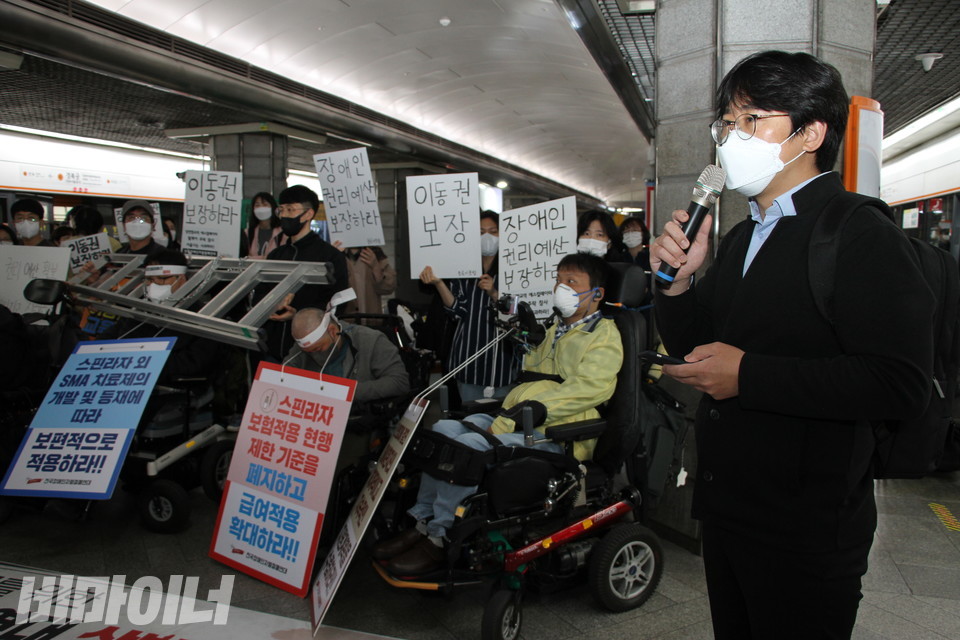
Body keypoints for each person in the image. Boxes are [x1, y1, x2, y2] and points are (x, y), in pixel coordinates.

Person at [649, 50, 934, 640]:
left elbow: (897, 382)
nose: (731, 139)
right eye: (726, 123)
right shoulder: (744, 232)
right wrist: (679, 284)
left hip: (808, 525)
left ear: (810, 133)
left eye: (752, 120)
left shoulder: (859, 232)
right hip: (731, 508)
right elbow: (702, 347)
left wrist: (749, 375)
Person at [377, 253, 622, 575]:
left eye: (572, 282)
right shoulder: (556, 328)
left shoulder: (604, 335)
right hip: (522, 416)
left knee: (470, 450)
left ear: (598, 293)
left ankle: (441, 538)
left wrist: (532, 410)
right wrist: (531, 345)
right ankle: (423, 521)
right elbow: (534, 379)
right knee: (443, 432)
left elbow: (589, 389)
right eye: (558, 280)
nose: (561, 288)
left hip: (560, 432)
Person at [419, 210, 519, 402]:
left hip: (503, 363)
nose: (487, 237)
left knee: (498, 422)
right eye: (481, 232)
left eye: (493, 231)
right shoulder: (464, 269)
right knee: (469, 417)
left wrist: (495, 294)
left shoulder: (513, 270)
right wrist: (440, 284)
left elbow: (517, 313)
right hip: (468, 357)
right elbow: (457, 311)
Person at [260, 185, 349, 361]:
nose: (284, 215)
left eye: (291, 210)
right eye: (282, 210)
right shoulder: (276, 255)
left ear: (308, 214)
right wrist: (271, 307)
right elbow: (261, 292)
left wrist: (299, 314)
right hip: (273, 345)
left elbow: (337, 303)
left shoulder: (330, 256)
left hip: (312, 349)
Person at [340, 245, 397, 316]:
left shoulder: (374, 252)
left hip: (372, 319)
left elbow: (389, 287)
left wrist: (376, 267)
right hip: (344, 321)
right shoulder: (335, 251)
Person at [244, 191, 283, 259]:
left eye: (265, 204)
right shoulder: (247, 233)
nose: (261, 208)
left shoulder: (282, 233)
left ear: (273, 207)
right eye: (257, 205)